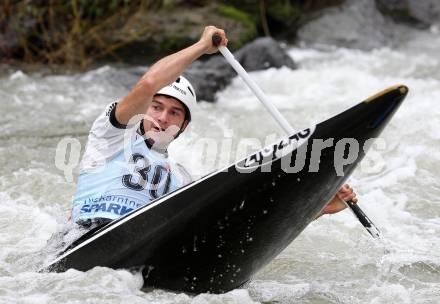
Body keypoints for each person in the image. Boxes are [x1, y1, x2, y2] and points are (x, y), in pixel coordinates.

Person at [70, 25, 357, 229]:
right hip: (80, 235)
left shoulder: (181, 181)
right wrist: (201, 47)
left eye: (174, 113)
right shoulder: (108, 136)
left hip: (131, 246)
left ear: (183, 126)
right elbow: (148, 84)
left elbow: (235, 229)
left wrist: (318, 207)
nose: (163, 117)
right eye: (156, 107)